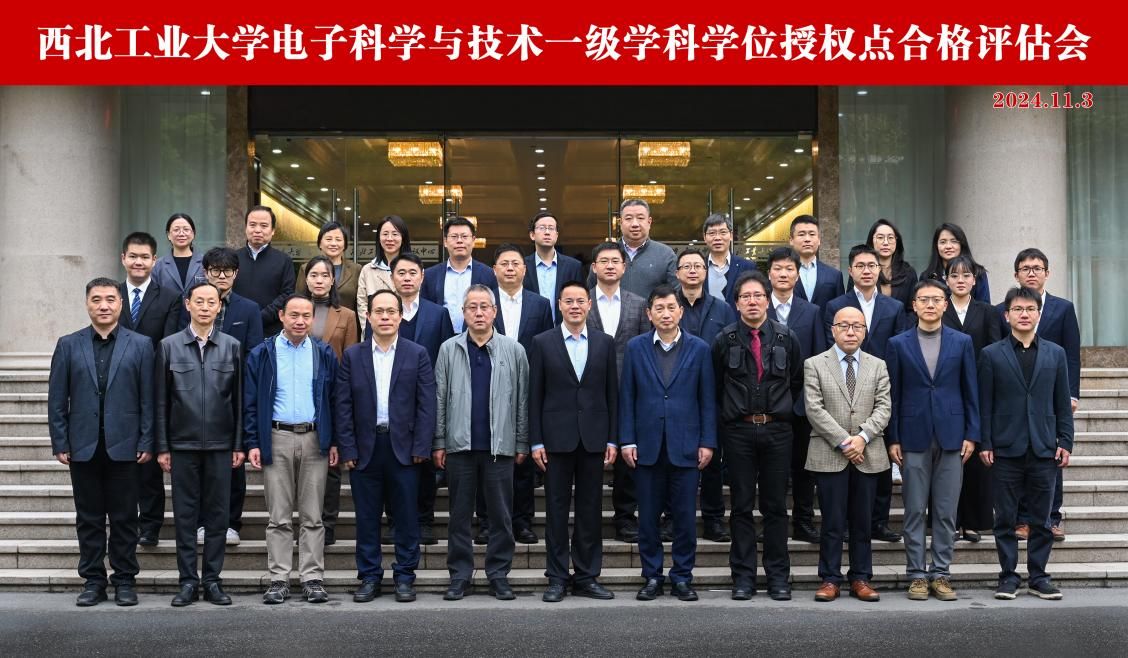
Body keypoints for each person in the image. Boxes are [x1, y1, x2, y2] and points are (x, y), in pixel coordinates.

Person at [48, 277, 154, 607]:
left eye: (110, 299)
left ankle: (125, 580)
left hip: (126, 446)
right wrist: (60, 441)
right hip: (83, 446)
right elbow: (57, 399)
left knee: (125, 518)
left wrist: (147, 439)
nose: (104, 305)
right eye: (96, 299)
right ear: (87, 304)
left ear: (121, 303)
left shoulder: (141, 345)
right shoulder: (68, 344)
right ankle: (93, 580)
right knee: (89, 518)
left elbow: (148, 399)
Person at [336, 289, 436, 604]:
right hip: (365, 449)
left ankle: (405, 577)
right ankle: (369, 577)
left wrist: (421, 446)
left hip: (404, 449)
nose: (385, 317)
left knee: (406, 518)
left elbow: (426, 404)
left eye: (391, 311)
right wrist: (348, 448)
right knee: (367, 519)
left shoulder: (417, 353)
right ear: (368, 316)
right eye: (379, 311)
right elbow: (343, 405)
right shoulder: (353, 355)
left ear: (400, 316)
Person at [433, 285, 529, 601]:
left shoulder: (514, 350)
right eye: (472, 307)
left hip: (499, 447)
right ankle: (460, 575)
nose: (478, 312)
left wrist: (521, 441)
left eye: (484, 306)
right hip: (459, 446)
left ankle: (498, 574)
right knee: (459, 516)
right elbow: (440, 397)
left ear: (494, 312)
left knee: (501, 515)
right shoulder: (449, 349)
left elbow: (522, 399)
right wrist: (439, 441)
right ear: (463, 313)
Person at [885, 279, 980, 602]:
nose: (929, 304)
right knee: (914, 509)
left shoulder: (962, 342)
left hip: (952, 435)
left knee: (945, 511)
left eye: (936, 299)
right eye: (923, 299)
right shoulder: (898, 344)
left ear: (945, 304)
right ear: (914, 305)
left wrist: (972, 434)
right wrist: (893, 437)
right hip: (912, 436)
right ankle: (916, 574)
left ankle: (940, 573)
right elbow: (893, 395)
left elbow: (970, 390)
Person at [621, 284, 716, 602]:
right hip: (647, 446)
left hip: (686, 446)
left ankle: (682, 577)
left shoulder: (699, 348)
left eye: (671, 307)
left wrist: (707, 441)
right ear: (649, 314)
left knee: (685, 518)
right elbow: (627, 397)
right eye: (659, 308)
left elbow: (707, 399)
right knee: (647, 518)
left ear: (681, 311)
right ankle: (652, 576)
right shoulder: (635, 348)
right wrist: (627, 440)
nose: (665, 313)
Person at [712, 271, 803, 601]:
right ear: (736, 303)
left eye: (758, 296)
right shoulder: (724, 340)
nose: (752, 302)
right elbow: (717, 385)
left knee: (776, 506)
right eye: (745, 297)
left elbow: (796, 381)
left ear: (768, 300)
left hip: (778, 430)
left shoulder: (786, 337)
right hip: (738, 431)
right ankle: (743, 578)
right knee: (740, 507)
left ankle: (778, 577)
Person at [978, 286, 1074, 601]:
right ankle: (1008, 577)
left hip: (1044, 447)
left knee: (1041, 520)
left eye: (1030, 309)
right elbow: (985, 404)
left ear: (1038, 314)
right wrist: (985, 442)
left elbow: (1062, 403)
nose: (1024, 314)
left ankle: (1038, 576)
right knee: (1005, 519)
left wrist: (1066, 441)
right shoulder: (991, 354)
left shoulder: (1055, 354)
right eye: (1018, 309)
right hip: (1005, 448)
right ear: (1007, 315)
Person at [155, 281, 245, 607]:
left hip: (221, 445)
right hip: (182, 444)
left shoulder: (232, 346)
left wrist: (238, 444)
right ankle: (187, 582)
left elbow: (239, 400)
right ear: (188, 304)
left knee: (218, 516)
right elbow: (160, 401)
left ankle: (212, 580)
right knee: (185, 516)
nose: (205, 307)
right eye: (200, 301)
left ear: (219, 307)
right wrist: (162, 446)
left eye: (211, 302)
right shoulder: (168, 346)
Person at [244, 295, 338, 605]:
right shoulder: (263, 353)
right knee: (279, 516)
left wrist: (333, 440)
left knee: (313, 515)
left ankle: (312, 578)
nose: (300, 321)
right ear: (282, 316)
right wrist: (253, 442)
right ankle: (279, 579)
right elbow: (250, 402)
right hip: (276, 436)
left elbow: (335, 399)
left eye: (306, 316)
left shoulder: (323, 352)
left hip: (314, 438)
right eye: (294, 315)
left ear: (313, 319)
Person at [529, 281, 619, 602]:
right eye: (569, 301)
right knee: (555, 511)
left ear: (589, 305)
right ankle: (556, 578)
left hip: (594, 438)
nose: (575, 306)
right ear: (559, 305)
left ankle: (586, 576)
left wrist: (613, 438)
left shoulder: (605, 343)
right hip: (555, 440)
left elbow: (612, 394)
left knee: (590, 510)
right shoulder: (542, 342)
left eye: (581, 301)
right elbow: (534, 395)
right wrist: (535, 441)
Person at [824, 244, 911, 543]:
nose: (866, 271)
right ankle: (849, 522)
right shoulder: (836, 305)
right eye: (860, 266)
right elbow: (829, 347)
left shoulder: (894, 307)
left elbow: (899, 349)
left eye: (872, 266)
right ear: (850, 271)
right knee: (846, 457)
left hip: (882, 388)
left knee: (880, 459)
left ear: (880, 270)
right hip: (845, 389)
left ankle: (879, 521)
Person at [804, 307, 891, 603]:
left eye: (857, 326)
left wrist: (862, 437)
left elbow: (884, 407)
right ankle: (830, 578)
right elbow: (814, 408)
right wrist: (845, 442)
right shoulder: (815, 364)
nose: (851, 331)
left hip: (868, 453)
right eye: (844, 326)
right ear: (833, 330)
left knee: (862, 522)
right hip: (830, 453)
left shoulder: (878, 365)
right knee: (832, 521)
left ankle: (861, 578)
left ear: (865, 331)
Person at [180, 246, 264, 547]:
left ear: (236, 274)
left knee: (233, 463)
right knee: (200, 466)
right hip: (194, 394)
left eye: (227, 271)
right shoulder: (190, 304)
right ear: (205, 272)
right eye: (215, 271)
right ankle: (202, 521)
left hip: (233, 392)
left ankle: (231, 522)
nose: (221, 276)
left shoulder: (248, 309)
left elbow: (255, 351)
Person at [998, 248, 1082, 542]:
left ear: (1047, 273)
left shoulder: (1063, 308)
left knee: (1052, 458)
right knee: (1020, 457)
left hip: (1050, 397)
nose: (1031, 273)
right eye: (1025, 268)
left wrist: (1072, 394)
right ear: (1016, 274)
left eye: (1037, 268)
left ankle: (1051, 517)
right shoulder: (1003, 310)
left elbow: (1071, 355)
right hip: (1015, 399)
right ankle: (1022, 519)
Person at [376, 253, 455, 546]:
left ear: (422, 277)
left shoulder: (438, 314)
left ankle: (424, 520)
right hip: (390, 399)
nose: (407, 278)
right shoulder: (383, 312)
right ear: (392, 278)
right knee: (390, 462)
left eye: (413, 273)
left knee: (425, 463)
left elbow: (447, 355)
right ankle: (394, 521)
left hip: (426, 398)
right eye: (401, 273)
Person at [483, 244, 553, 545]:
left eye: (515, 264)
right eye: (504, 264)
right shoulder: (484, 301)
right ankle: (487, 522)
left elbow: (547, 346)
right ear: (494, 270)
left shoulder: (541, 304)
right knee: (488, 458)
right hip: (488, 387)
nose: (510, 268)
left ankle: (522, 522)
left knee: (522, 459)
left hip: (527, 387)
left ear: (525, 270)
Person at [115, 232, 181, 547]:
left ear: (155, 260)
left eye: (144, 257)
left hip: (154, 388)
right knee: (121, 460)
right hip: (116, 389)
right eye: (133, 256)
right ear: (123, 259)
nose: (138, 262)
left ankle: (151, 524)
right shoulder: (111, 294)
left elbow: (167, 345)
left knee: (149, 462)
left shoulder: (169, 297)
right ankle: (124, 520)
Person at [586, 241, 652, 543]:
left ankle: (625, 517)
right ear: (594, 267)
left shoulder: (639, 304)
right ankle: (589, 518)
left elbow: (645, 351)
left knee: (627, 457)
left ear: (624, 267)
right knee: (590, 456)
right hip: (590, 392)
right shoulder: (581, 301)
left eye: (616, 261)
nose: (610, 265)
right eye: (604, 261)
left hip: (629, 392)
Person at [766, 246, 827, 545]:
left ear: (797, 274)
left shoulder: (812, 311)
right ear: (769, 274)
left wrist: (809, 399)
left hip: (802, 403)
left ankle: (803, 521)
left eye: (789, 269)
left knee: (804, 468)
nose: (783, 274)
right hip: (765, 404)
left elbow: (819, 357)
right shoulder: (757, 307)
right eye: (777, 269)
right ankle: (770, 522)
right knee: (770, 470)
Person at [675, 248, 735, 542]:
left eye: (698, 266)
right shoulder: (669, 305)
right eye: (686, 266)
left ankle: (713, 519)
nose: (692, 271)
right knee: (674, 459)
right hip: (675, 395)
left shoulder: (722, 309)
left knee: (711, 460)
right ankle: (672, 518)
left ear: (706, 271)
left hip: (713, 395)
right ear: (677, 273)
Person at [943, 255, 1003, 543]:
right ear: (946, 280)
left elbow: (994, 350)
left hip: (979, 390)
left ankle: (973, 522)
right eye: (954, 275)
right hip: (945, 390)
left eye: (966, 275)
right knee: (948, 459)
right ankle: (950, 520)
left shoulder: (987, 311)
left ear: (975, 281)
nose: (960, 280)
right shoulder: (939, 307)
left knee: (976, 460)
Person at [587, 199, 677, 299]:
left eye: (640, 218)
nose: (635, 224)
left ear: (649, 222)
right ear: (620, 222)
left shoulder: (665, 254)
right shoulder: (605, 254)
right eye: (628, 218)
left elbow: (676, 293)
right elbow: (590, 292)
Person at [421, 217, 498, 333]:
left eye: (464, 236)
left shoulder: (488, 274)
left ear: (473, 240)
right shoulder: (430, 275)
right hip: (439, 337)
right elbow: (425, 310)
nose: (459, 241)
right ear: (445, 241)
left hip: (476, 336)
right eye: (454, 237)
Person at [233, 205, 296, 337]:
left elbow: (287, 294)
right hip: (236, 328)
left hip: (271, 332)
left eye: (264, 225)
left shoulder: (284, 260)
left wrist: (259, 317)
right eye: (252, 225)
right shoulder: (233, 258)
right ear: (245, 228)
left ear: (273, 230)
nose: (257, 230)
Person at [524, 211, 584, 321]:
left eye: (551, 228)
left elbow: (581, 299)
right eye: (542, 228)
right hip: (531, 327)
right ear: (532, 235)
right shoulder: (522, 266)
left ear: (557, 235)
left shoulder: (573, 266)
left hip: (564, 326)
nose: (547, 232)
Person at [357, 215, 410, 332]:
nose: (389, 238)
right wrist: (369, 329)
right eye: (385, 234)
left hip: (406, 332)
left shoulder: (413, 269)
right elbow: (362, 304)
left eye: (395, 234)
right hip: (374, 333)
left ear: (403, 237)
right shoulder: (368, 270)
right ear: (379, 237)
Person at [297, 222, 363, 316]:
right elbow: (299, 299)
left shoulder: (356, 269)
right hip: (315, 320)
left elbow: (360, 303)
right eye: (328, 239)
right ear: (320, 243)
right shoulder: (306, 268)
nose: (333, 243)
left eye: (338, 239)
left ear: (344, 244)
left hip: (346, 322)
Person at [302, 255, 360, 359]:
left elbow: (350, 358)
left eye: (325, 276)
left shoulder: (347, 315)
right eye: (313, 275)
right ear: (306, 279)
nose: (319, 281)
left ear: (332, 280)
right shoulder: (296, 313)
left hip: (334, 369)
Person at [919, 223, 990, 303]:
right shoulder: (927, 276)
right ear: (936, 246)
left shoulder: (978, 273)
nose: (948, 246)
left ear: (961, 244)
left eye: (954, 241)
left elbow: (985, 307)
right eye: (943, 242)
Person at [858, 219, 918, 311]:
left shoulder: (908, 272)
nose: (885, 243)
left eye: (890, 238)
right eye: (880, 237)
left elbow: (913, 309)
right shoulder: (860, 270)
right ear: (871, 241)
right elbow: (852, 305)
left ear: (897, 241)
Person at [701, 213, 757, 309]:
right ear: (704, 237)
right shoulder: (699, 267)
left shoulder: (747, 267)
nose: (717, 238)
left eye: (723, 232)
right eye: (712, 233)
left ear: (731, 235)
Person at [788, 215, 845, 310]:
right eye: (801, 234)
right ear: (791, 240)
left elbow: (840, 310)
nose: (807, 239)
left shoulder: (834, 275)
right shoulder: (780, 274)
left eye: (812, 234)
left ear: (819, 240)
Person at [151, 213, 204, 294]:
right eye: (176, 230)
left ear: (193, 233)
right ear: (168, 235)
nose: (181, 234)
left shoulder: (205, 262)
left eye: (186, 229)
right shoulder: (158, 266)